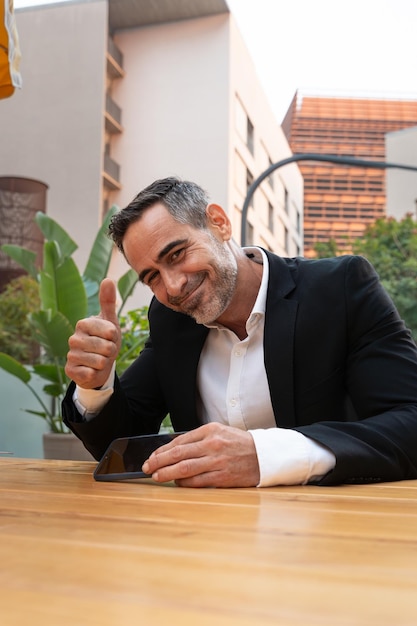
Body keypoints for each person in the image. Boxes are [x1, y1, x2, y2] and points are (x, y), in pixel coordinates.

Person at [63, 176, 417, 488]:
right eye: (152, 277)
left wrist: (263, 455)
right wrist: (95, 384)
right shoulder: (172, 320)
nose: (173, 286)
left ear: (219, 224)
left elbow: (410, 422)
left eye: (176, 254)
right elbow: (120, 446)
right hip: (206, 537)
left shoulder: (339, 288)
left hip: (335, 533)